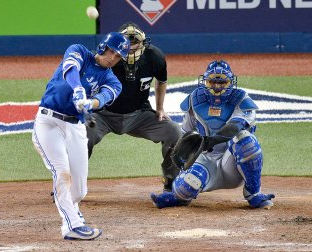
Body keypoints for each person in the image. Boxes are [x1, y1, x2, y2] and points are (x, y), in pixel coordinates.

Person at [32, 32, 130, 240]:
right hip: (48, 121)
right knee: (62, 173)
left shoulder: (114, 81)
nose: (113, 57)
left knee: (79, 191)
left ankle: (72, 209)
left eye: (119, 56)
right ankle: (72, 226)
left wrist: (90, 103)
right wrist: (78, 89)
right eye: (112, 51)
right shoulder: (79, 51)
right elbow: (70, 69)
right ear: (103, 47)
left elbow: (105, 96)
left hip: (75, 127)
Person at [150, 60, 275, 209]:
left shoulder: (241, 99)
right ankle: (178, 197)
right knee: (187, 186)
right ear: (205, 82)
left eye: (222, 82)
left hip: (232, 165)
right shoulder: (194, 100)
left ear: (230, 82)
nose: (217, 86)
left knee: (246, 141)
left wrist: (211, 140)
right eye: (212, 82)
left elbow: (235, 127)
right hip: (206, 161)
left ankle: (253, 193)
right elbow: (185, 134)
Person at [86, 22, 182, 191]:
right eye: (126, 43)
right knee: (81, 134)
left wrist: (160, 108)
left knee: (174, 131)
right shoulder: (108, 58)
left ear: (143, 43)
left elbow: (161, 81)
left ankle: (171, 180)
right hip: (103, 115)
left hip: (139, 115)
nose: (131, 47)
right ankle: (70, 183)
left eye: (135, 42)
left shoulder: (155, 57)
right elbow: (89, 81)